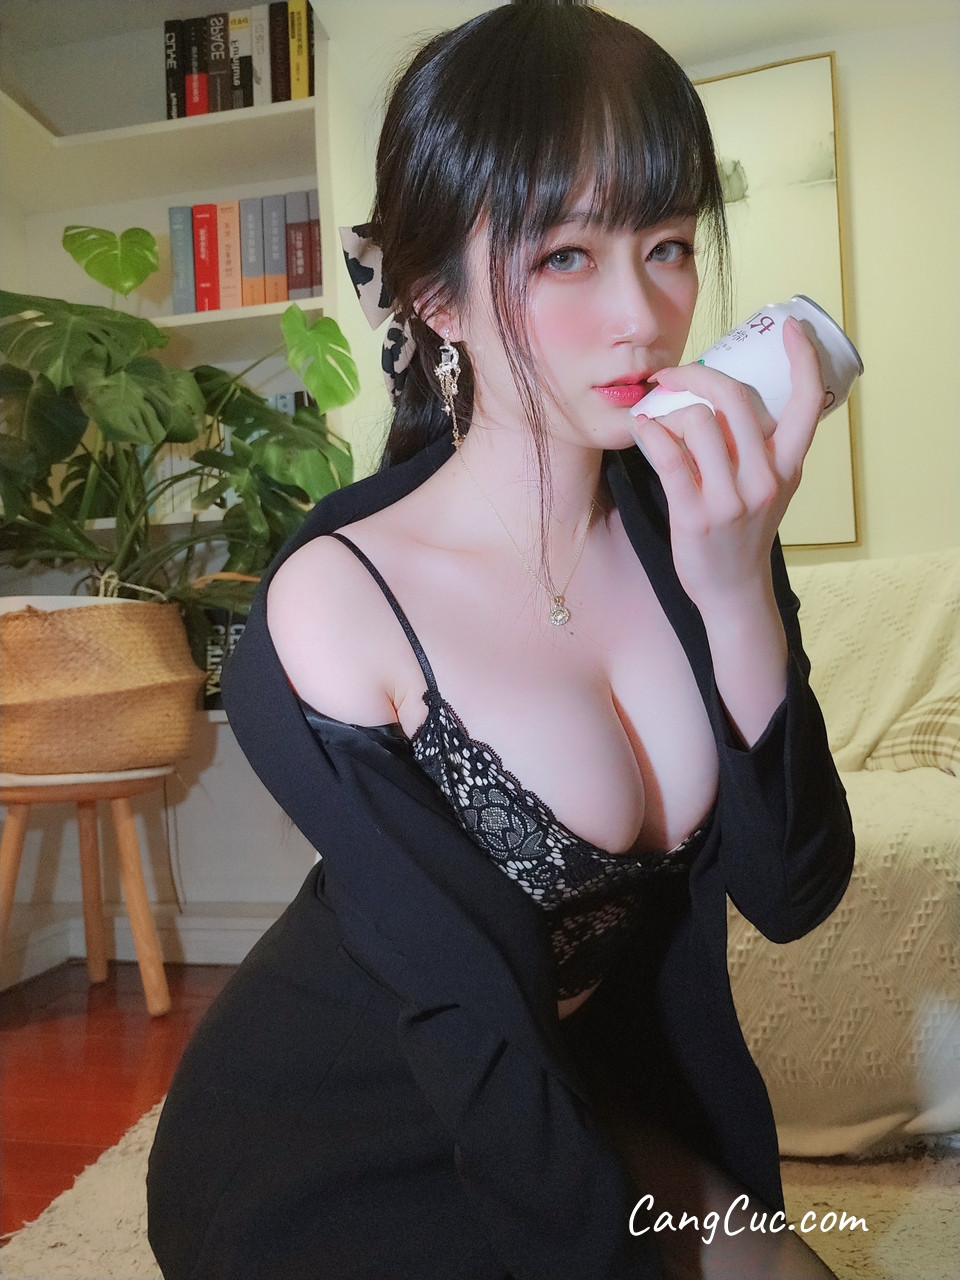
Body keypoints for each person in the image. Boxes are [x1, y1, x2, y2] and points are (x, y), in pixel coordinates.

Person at [146, 5, 855, 1278]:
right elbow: (464, 1014)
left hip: (566, 1085)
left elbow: (792, 891)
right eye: (566, 255)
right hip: (330, 1124)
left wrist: (737, 585)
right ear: (437, 295)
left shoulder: (696, 521)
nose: (642, 314)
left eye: (667, 245)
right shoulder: (340, 603)